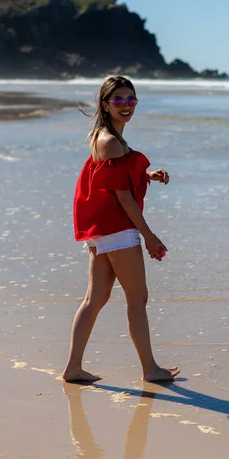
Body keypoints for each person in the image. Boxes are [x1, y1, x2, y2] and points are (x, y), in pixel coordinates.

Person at [63, 76, 179, 382]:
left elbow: (112, 179)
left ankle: (73, 368)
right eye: (119, 100)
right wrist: (149, 236)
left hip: (103, 229)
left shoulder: (105, 137)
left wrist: (147, 174)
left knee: (95, 299)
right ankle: (150, 369)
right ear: (105, 104)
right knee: (137, 299)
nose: (126, 105)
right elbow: (124, 199)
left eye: (131, 99)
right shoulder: (112, 141)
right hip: (118, 227)